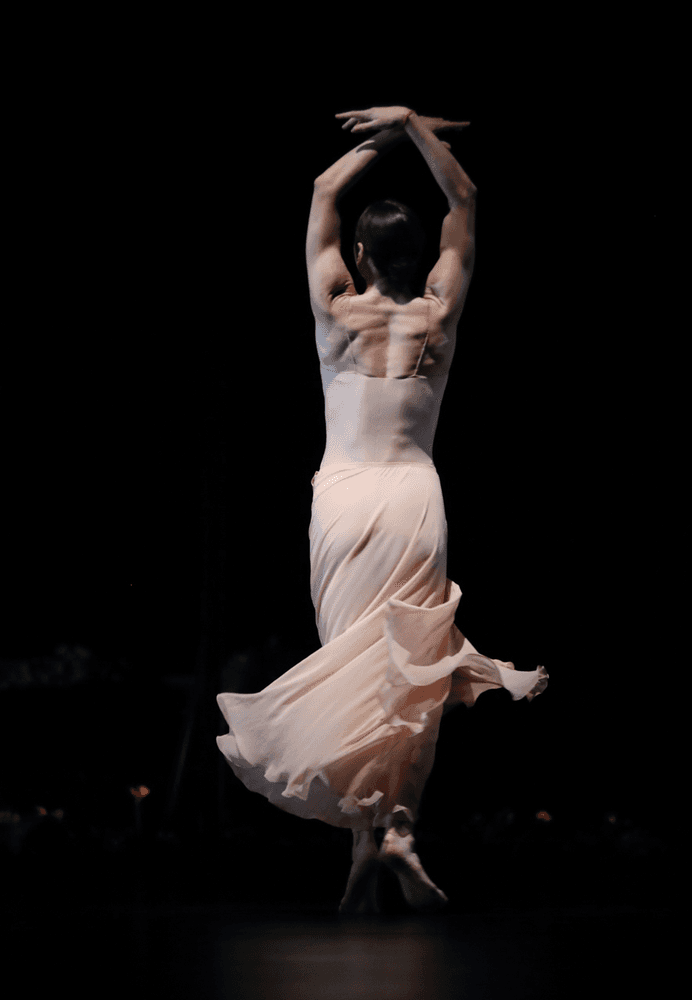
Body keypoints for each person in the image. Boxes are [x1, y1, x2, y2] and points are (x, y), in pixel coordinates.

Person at [215, 106, 547, 913]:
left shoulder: (335, 306)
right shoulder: (439, 311)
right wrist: (418, 129)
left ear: (359, 255)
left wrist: (382, 136)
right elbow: (464, 198)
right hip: (412, 496)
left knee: (361, 673)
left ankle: (377, 837)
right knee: (410, 673)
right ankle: (388, 831)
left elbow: (326, 184)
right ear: (423, 257)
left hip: (345, 499)